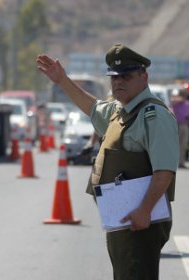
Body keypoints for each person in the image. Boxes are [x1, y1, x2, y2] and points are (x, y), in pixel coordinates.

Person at [36, 44, 179, 280]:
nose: (118, 82)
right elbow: (91, 107)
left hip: (141, 222)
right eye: (114, 77)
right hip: (123, 221)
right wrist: (62, 80)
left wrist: (144, 210)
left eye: (126, 76)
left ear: (144, 77)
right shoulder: (120, 111)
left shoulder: (154, 115)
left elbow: (164, 171)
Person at [170, 88, 189, 168]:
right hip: (176, 124)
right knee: (175, 144)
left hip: (185, 125)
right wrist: (180, 97)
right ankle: (172, 162)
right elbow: (173, 100)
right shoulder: (176, 102)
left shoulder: (187, 103)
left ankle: (181, 162)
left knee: (183, 145)